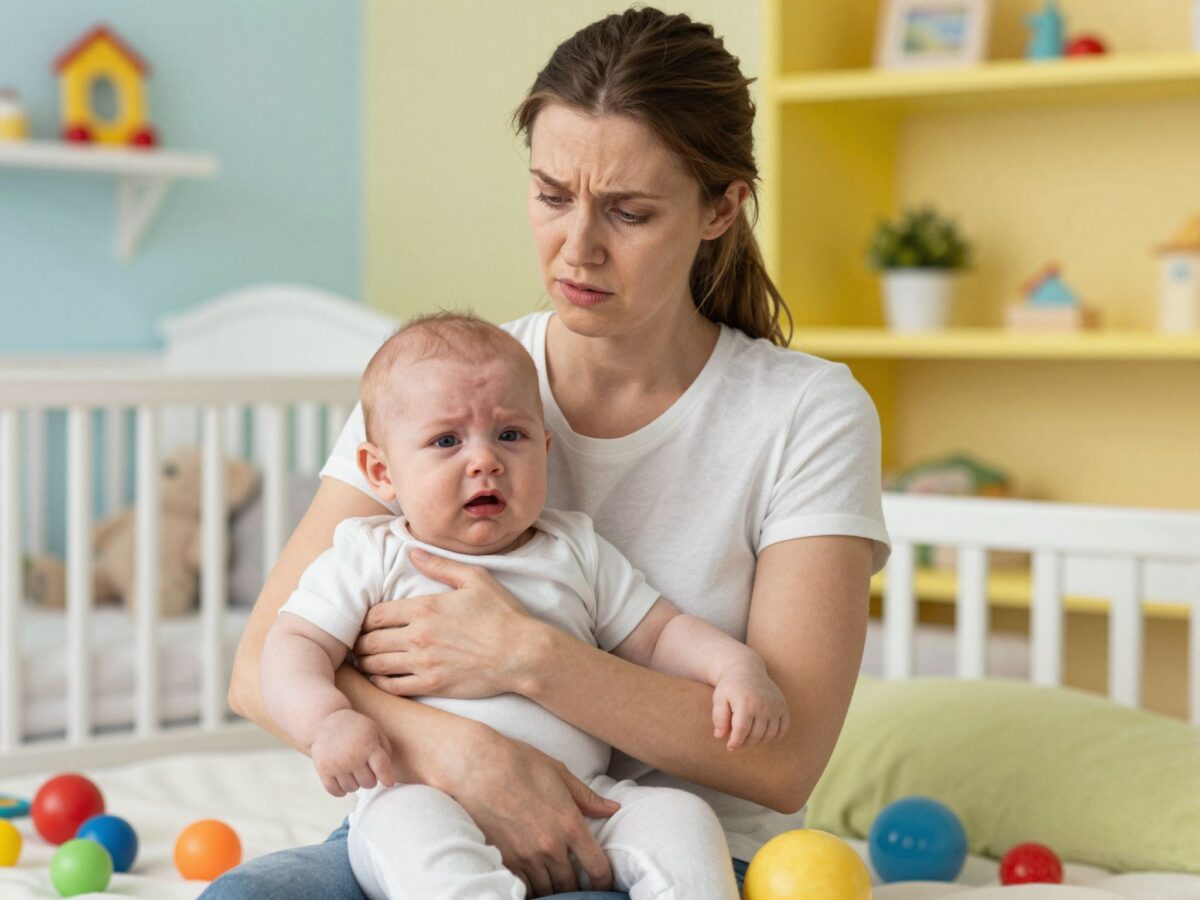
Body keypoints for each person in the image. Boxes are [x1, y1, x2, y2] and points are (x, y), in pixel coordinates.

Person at [208, 7, 890, 899]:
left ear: (720, 208)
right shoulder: (445, 383)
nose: (578, 248)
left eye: (629, 212)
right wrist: (463, 752)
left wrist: (527, 656)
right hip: (432, 811)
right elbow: (260, 667)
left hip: (650, 841)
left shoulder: (806, 412)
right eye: (551, 195)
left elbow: (783, 759)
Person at [261, 312, 789, 899]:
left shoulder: (575, 549)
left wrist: (735, 667)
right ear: (381, 472)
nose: (484, 460)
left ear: (545, 448)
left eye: (510, 435)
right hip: (424, 798)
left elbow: (661, 633)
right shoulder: (372, 554)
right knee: (408, 833)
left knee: (680, 818)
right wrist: (326, 722)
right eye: (446, 441)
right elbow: (293, 645)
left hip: (581, 804)